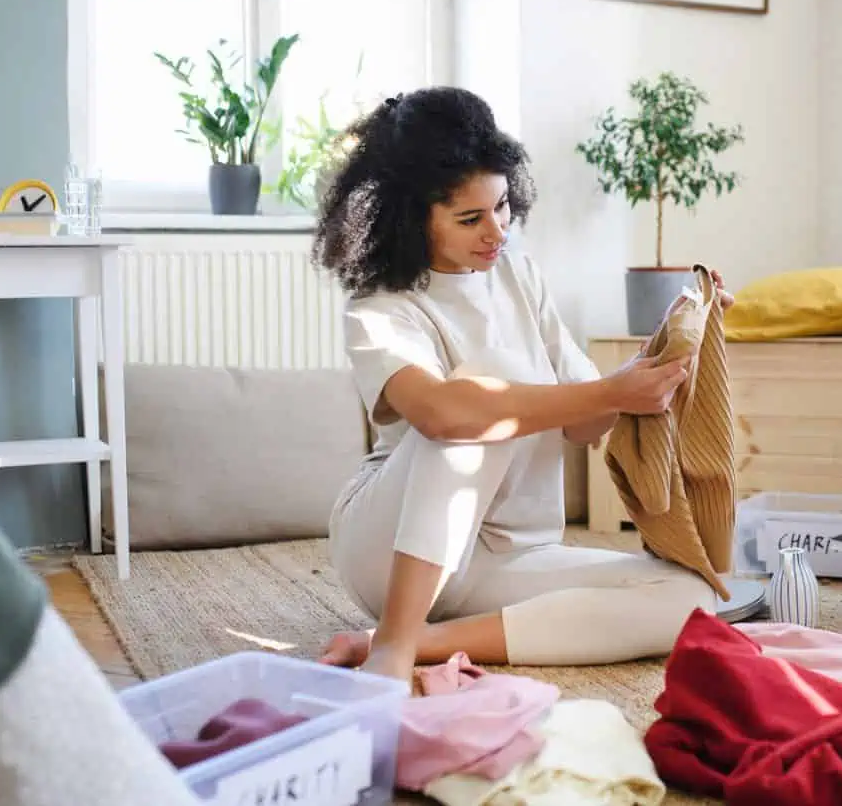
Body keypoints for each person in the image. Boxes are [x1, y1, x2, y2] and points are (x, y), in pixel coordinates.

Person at [309, 86, 732, 681]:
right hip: (391, 552)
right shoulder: (379, 307)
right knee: (482, 393)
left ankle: (414, 642)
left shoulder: (520, 275)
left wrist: (664, 351)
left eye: (503, 205)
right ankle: (395, 643)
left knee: (693, 598)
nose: (497, 231)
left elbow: (586, 422)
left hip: (512, 554)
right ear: (409, 218)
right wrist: (610, 391)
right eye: (470, 218)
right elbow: (442, 415)